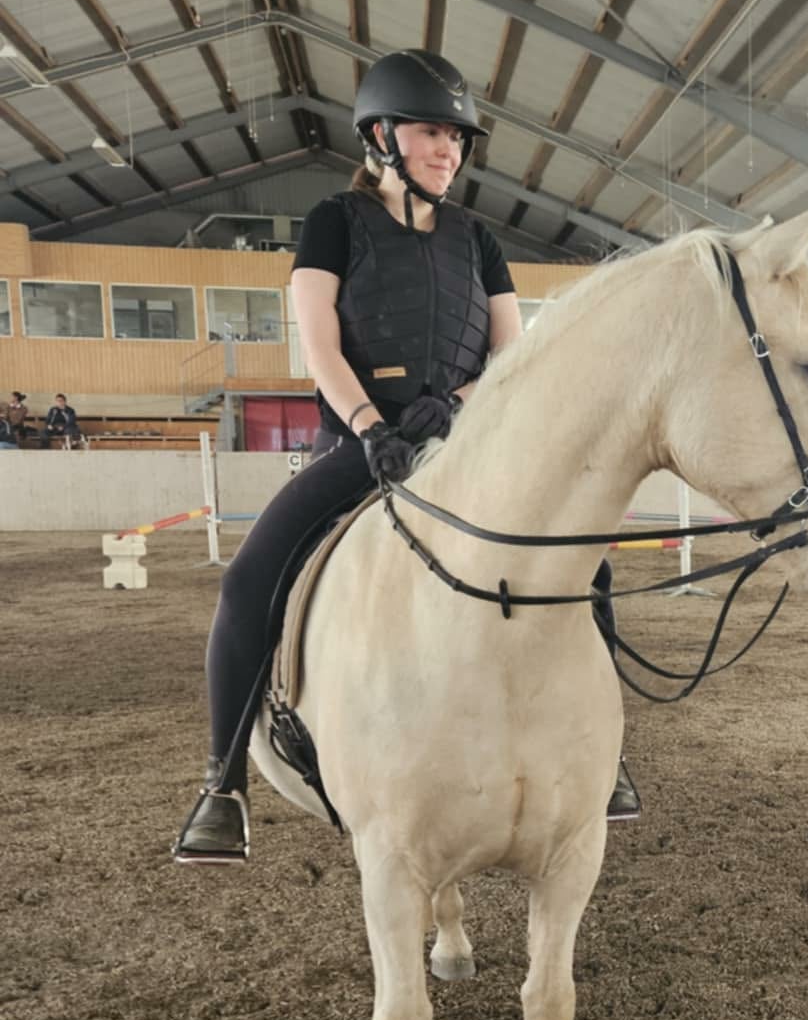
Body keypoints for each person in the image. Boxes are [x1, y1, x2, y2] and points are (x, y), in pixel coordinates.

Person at [174, 48, 641, 864]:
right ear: (383, 136)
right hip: (363, 446)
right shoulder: (333, 222)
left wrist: (453, 407)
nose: (449, 152)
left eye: (458, 140)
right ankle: (223, 785)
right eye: (433, 133)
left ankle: (606, 753)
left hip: (464, 448)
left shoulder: (477, 240)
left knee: (582, 565)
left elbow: (511, 357)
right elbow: (317, 344)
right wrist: (371, 426)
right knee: (250, 580)